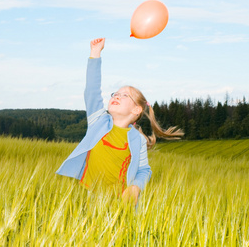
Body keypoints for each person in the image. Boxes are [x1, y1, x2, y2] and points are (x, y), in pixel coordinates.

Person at [56, 38, 184, 204]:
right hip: (88, 196)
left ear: (136, 110)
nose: (117, 95)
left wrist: (136, 187)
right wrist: (95, 53)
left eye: (125, 95)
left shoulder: (137, 140)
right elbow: (92, 91)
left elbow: (144, 170)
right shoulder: (99, 121)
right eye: (115, 93)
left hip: (119, 203)